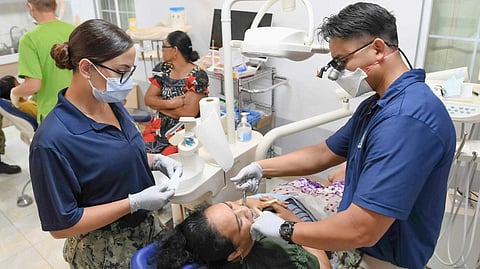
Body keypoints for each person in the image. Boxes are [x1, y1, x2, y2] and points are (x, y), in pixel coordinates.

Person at [230, 2, 457, 269]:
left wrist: (285, 230)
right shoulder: (377, 105)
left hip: (382, 258)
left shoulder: (407, 120)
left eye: (342, 61)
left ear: (377, 49)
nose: (338, 72)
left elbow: (362, 229)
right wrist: (261, 167)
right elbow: (324, 152)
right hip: (358, 242)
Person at [29, 19, 182, 269]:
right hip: (104, 252)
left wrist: (155, 161)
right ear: (87, 68)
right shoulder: (52, 141)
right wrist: (133, 203)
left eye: (130, 71)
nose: (127, 81)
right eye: (121, 71)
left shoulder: (110, 104)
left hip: (147, 232)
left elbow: (108, 161)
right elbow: (62, 224)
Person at [151, 183, 341, 269]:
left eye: (231, 205)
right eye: (240, 221)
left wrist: (250, 203)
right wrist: (291, 226)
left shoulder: (215, 247)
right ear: (236, 253)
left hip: (285, 199)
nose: (243, 210)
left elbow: (233, 213)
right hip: (309, 219)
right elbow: (323, 264)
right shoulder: (278, 259)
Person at [143, 30, 209, 154]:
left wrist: (159, 106)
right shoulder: (163, 69)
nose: (162, 50)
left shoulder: (197, 76)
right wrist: (171, 103)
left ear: (175, 50)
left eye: (164, 47)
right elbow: (148, 99)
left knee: (166, 160)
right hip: (157, 128)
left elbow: (188, 113)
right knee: (141, 155)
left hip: (183, 132)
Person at [10, 0, 74, 123]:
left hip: (54, 115)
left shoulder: (29, 39)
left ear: (29, 7)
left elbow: (33, 85)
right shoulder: (74, 30)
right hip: (81, 109)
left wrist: (14, 92)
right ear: (55, 5)